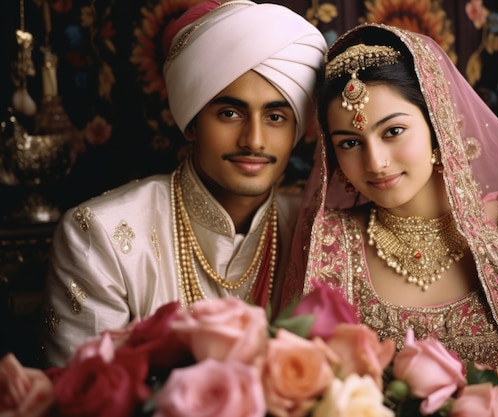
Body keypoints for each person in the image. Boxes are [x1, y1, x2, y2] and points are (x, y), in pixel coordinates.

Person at [281, 23, 498, 405]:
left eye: (393, 131)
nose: (375, 162)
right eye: (349, 142)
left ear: (437, 126)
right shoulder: (328, 244)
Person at [40, 0, 327, 367]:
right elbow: (83, 393)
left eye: (275, 116)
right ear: (191, 123)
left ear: (297, 131)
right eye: (229, 113)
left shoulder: (316, 232)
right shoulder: (102, 235)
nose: (254, 139)